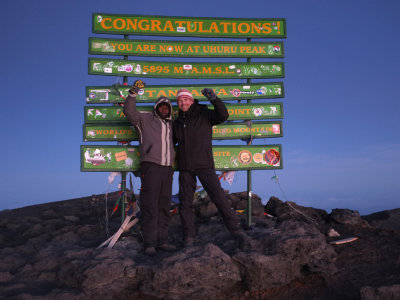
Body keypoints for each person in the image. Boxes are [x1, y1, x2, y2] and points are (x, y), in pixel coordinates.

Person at [173, 88, 251, 247]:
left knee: (219, 198)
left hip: (205, 165)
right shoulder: (177, 123)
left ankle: (236, 231)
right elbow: (170, 142)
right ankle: (189, 237)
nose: (183, 103)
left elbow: (223, 115)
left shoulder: (204, 113)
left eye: (186, 99)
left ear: (192, 100)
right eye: (180, 101)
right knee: (185, 203)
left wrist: (214, 99)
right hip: (185, 168)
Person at [123, 80, 176, 256]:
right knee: (150, 205)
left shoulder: (172, 125)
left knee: (164, 205)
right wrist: (133, 93)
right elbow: (128, 112)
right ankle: (150, 243)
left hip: (168, 169)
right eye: (161, 106)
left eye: (167, 107)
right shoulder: (145, 120)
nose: (164, 109)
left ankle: (163, 241)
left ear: (170, 110)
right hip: (151, 167)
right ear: (156, 108)